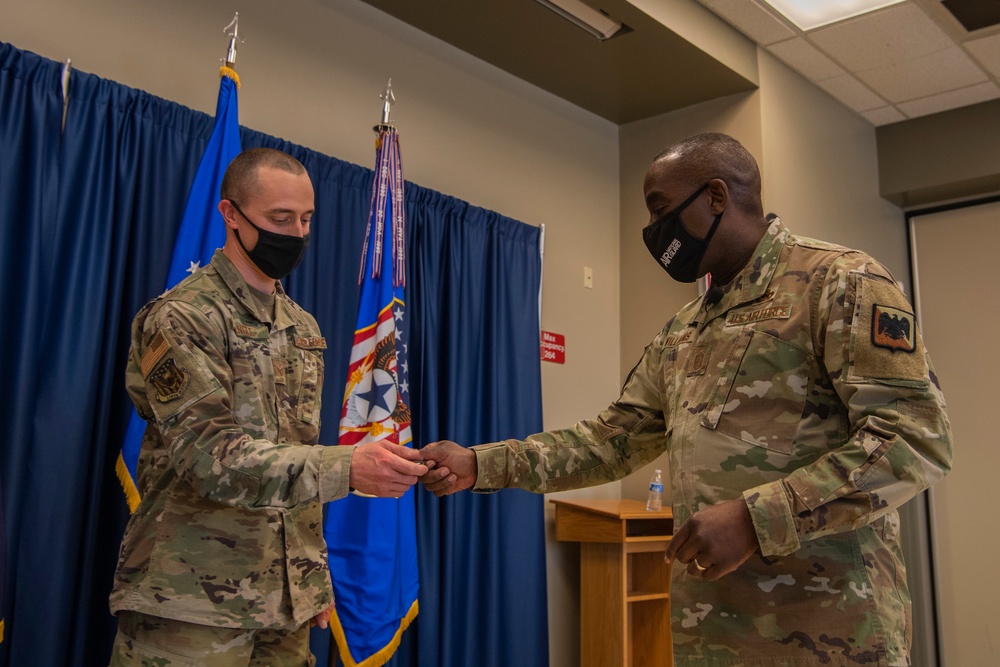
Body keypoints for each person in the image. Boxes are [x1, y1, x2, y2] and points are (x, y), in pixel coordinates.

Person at [419, 133, 953, 666]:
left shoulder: (837, 282)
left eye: (660, 210)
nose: (653, 233)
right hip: (712, 633)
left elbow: (913, 438)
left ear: (716, 197)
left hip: (831, 630)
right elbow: (609, 442)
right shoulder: (683, 330)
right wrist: (479, 464)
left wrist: (755, 518)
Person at [109, 148, 428, 666]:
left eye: (305, 219)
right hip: (190, 602)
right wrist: (349, 467)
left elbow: (291, 458)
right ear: (230, 214)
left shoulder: (302, 327)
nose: (296, 233)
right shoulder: (182, 319)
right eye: (279, 219)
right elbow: (212, 459)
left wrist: (309, 575)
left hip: (285, 604)